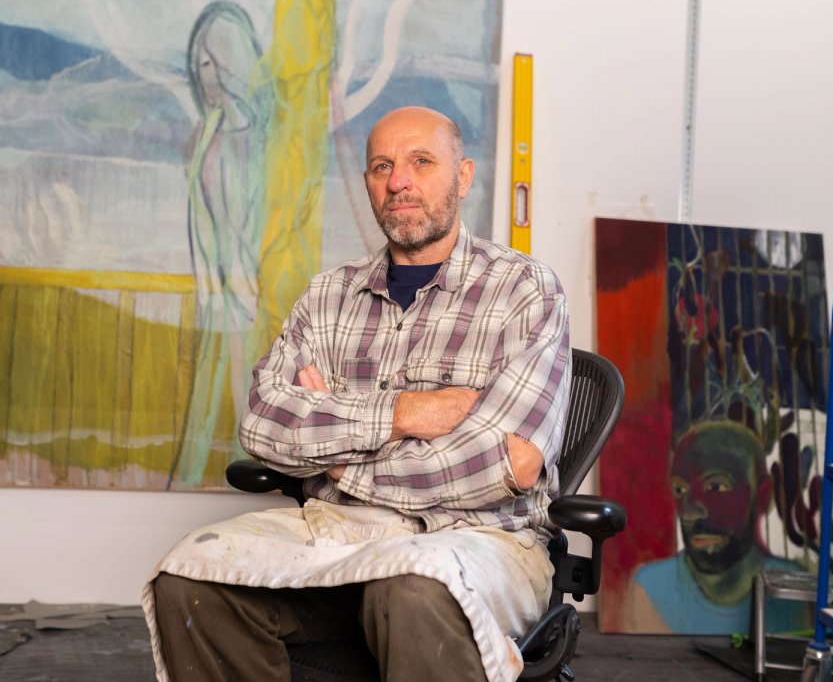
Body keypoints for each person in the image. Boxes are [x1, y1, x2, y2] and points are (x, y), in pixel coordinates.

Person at [144, 106, 571, 682]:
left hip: (480, 540)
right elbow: (264, 421)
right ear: (370, 183)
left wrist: (342, 463)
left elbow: (506, 463)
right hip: (337, 532)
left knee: (411, 589)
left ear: (463, 176)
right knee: (188, 583)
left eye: (422, 161)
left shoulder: (525, 290)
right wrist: (403, 414)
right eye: (382, 166)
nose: (400, 180)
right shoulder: (326, 297)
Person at [170, 1, 273, 489]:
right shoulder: (206, 133)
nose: (203, 74)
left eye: (211, 61)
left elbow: (259, 215)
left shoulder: (263, 138)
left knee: (249, 385)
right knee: (227, 384)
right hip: (220, 288)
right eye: (198, 65)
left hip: (253, 287)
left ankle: (254, 466)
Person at [624, 420, 806, 633]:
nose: (690, 512)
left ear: (762, 495)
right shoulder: (650, 589)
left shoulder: (794, 592)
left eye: (716, 486)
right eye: (680, 490)